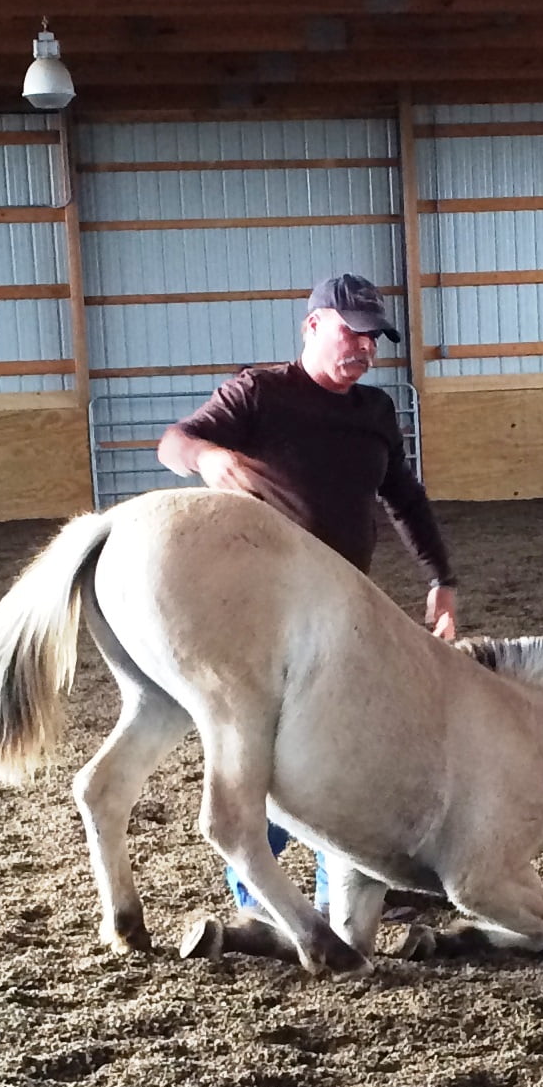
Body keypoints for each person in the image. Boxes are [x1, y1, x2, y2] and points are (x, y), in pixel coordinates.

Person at [156, 273, 459, 959]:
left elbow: (405, 498)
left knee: (340, 763)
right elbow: (174, 441)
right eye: (349, 331)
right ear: (312, 327)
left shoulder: (375, 412)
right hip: (270, 622)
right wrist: (208, 456)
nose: (362, 347)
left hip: (348, 613)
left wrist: (442, 578)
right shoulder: (260, 393)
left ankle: (333, 896)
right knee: (275, 764)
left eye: (372, 337)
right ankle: (261, 898)